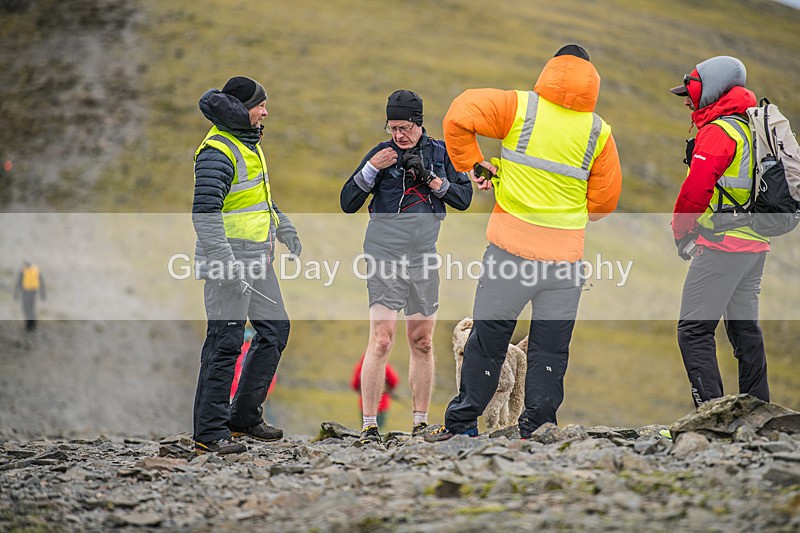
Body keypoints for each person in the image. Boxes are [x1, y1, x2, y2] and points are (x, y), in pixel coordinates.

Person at [426, 45, 622, 442]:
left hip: (509, 254)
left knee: (488, 341)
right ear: (591, 82)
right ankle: (538, 431)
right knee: (549, 351)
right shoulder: (599, 133)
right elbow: (604, 204)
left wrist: (472, 164)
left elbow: (459, 114)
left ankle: (462, 425)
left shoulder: (520, 107)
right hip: (565, 263)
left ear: (551, 69)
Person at [340, 90, 473, 443]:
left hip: (424, 256)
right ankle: (369, 425)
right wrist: (372, 169)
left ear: (419, 123)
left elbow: (463, 198)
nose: (398, 134)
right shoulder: (380, 154)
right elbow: (347, 202)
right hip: (384, 255)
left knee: (423, 340)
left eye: (404, 127)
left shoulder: (441, 153)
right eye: (392, 126)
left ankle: (420, 422)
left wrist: (430, 178)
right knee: (382, 339)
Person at [192, 76, 299, 454]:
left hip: (257, 259)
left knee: (275, 330)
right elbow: (205, 214)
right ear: (241, 109)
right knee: (225, 342)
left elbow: (254, 198)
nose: (266, 111)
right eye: (260, 105)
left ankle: (243, 417)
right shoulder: (217, 150)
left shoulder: (247, 141)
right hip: (229, 261)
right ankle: (209, 434)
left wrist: (282, 225)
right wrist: (226, 264)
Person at [669, 56, 770, 407]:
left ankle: (711, 415)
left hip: (721, 246)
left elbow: (696, 191)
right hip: (755, 247)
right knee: (745, 333)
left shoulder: (718, 131)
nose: (685, 100)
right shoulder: (751, 128)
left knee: (693, 331)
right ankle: (759, 414)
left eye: (690, 92)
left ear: (709, 90)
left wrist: (681, 231)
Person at [351, 352, 400, 431]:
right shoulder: (384, 366)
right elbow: (394, 381)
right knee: (380, 429)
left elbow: (354, 385)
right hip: (382, 404)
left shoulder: (360, 367)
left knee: (366, 428)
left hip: (364, 405)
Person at [14, 261, 45, 332]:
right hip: (33, 292)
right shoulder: (36, 270)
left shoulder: (24, 271)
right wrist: (42, 294)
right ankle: (33, 325)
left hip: (26, 292)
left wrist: (16, 293)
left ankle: (28, 325)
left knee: (26, 309)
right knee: (31, 308)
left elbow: (19, 282)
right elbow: (41, 282)